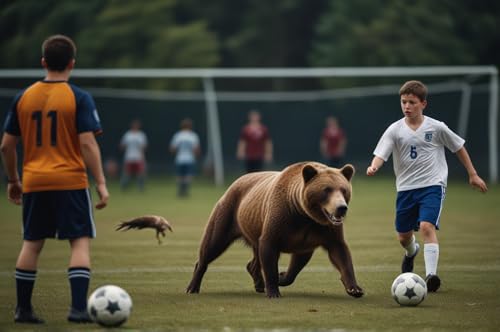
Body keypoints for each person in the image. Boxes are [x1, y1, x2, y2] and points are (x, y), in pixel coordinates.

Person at [0, 34, 109, 324]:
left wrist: (13, 179)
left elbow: (6, 146)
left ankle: (23, 310)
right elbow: (87, 143)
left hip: (34, 181)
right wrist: (100, 183)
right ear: (72, 63)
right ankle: (77, 309)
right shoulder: (78, 97)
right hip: (70, 182)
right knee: (79, 243)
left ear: (43, 62)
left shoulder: (23, 97)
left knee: (32, 244)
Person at [366, 80, 488, 292]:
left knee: (426, 226)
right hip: (405, 188)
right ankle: (411, 252)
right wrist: (373, 166)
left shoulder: (436, 127)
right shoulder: (395, 129)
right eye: (404, 102)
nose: (407, 106)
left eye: (412, 102)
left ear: (423, 104)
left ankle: (431, 275)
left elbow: (459, 147)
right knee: (403, 236)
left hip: (432, 184)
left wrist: (473, 174)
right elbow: (381, 153)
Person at [169, 118, 200, 197]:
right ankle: (185, 191)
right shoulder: (193, 136)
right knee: (188, 176)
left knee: (179, 176)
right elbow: (196, 149)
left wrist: (176, 153)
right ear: (190, 126)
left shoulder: (178, 135)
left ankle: (180, 190)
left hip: (179, 158)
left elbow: (172, 148)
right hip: (190, 158)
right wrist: (196, 156)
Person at [119, 119, 148, 191]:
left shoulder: (141, 135)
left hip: (138, 157)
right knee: (127, 173)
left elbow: (144, 147)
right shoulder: (128, 135)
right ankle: (124, 186)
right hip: (129, 157)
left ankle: (140, 188)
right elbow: (122, 145)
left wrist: (143, 157)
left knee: (140, 173)